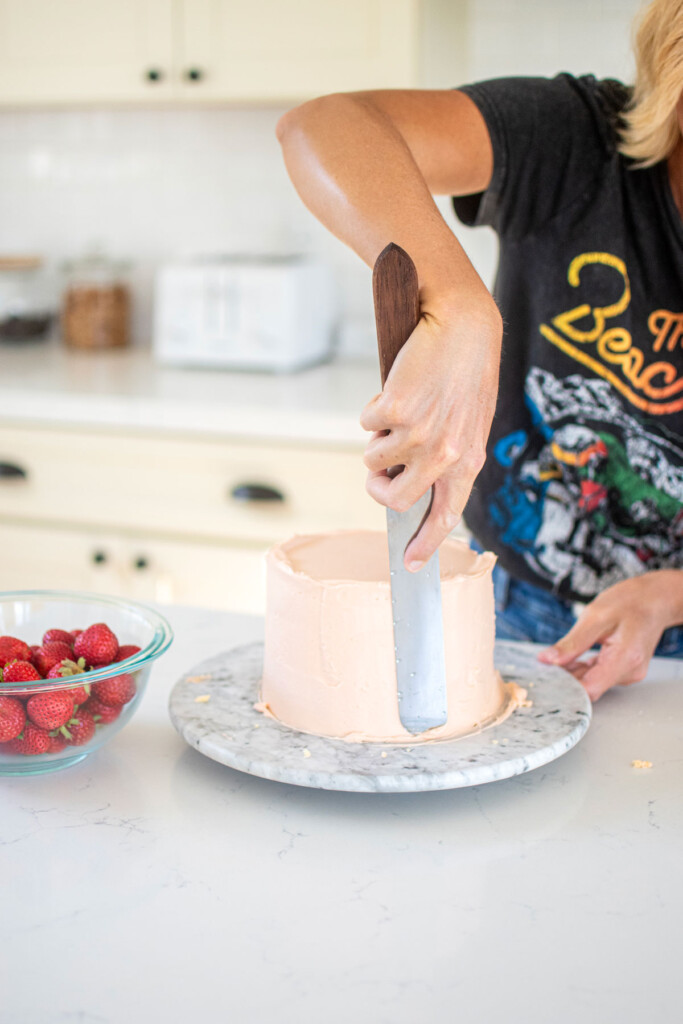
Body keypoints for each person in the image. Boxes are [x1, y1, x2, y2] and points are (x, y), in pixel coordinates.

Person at [276, 0, 683, 701]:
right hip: (514, 600)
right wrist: (460, 306)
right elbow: (324, 126)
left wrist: (667, 596)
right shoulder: (580, 139)